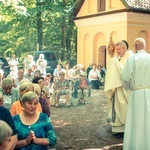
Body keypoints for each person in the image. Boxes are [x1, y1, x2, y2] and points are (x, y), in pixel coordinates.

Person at [121, 37, 150, 149]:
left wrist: (128, 87)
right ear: (145, 46)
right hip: (149, 93)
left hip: (137, 93)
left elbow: (125, 77)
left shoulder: (131, 59)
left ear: (136, 46)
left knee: (136, 120)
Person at [104, 40, 134, 138]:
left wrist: (115, 63)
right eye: (116, 50)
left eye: (118, 49)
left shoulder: (130, 57)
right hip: (117, 88)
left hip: (125, 89)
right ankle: (117, 128)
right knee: (116, 108)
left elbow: (126, 73)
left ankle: (124, 130)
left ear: (124, 48)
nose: (116, 52)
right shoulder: (120, 58)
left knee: (124, 108)